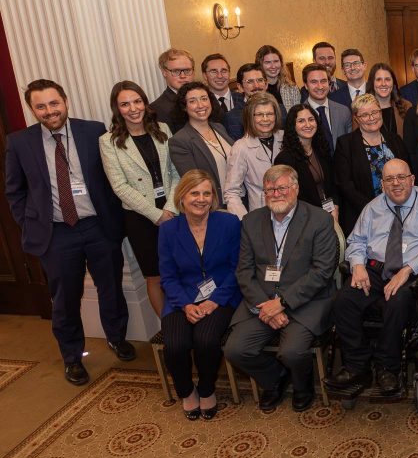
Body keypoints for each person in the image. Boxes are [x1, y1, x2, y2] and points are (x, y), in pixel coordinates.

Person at [5, 79, 133, 385]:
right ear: (32, 109)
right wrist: (31, 223)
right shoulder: (19, 142)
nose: (49, 111)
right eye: (41, 106)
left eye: (54, 103)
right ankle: (72, 357)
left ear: (65, 101)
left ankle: (117, 337)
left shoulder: (93, 131)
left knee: (111, 288)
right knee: (65, 299)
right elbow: (14, 190)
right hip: (57, 234)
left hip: (98, 226)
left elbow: (112, 175)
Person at [326, 159, 418, 396]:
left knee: (396, 301)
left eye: (401, 177)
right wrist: (357, 265)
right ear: (382, 185)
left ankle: (388, 367)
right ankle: (357, 365)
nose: (396, 183)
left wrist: (408, 269)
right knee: (343, 301)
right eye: (389, 179)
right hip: (374, 269)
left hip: (413, 271)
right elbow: (356, 241)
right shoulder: (372, 208)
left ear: (412, 180)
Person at [224, 165, 338, 412]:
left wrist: (282, 303)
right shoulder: (251, 221)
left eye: (282, 188)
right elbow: (244, 271)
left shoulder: (319, 220)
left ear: (295, 188)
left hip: (306, 301)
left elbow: (322, 272)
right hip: (262, 301)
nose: (276, 194)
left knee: (292, 352)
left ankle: (303, 385)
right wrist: (266, 305)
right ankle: (275, 378)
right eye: (270, 190)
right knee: (235, 350)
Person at [157, 169, 242, 419]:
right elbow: (168, 277)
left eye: (207, 193)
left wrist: (214, 301)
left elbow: (237, 269)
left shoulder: (229, 223)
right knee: (175, 345)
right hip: (180, 298)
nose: (201, 199)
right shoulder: (168, 230)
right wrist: (186, 305)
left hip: (221, 296)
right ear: (182, 196)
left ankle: (206, 389)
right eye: (194, 193)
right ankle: (186, 391)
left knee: (206, 340)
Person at [99, 80, 180, 316]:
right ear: (117, 109)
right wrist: (157, 215)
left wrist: (170, 209)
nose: (133, 108)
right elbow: (119, 186)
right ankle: (168, 325)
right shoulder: (108, 141)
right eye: (125, 104)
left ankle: (187, 323)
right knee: (155, 276)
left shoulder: (162, 129)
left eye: (137, 101)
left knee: (182, 269)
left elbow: (176, 173)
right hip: (140, 217)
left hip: (172, 209)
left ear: (145, 103)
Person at [334, 94, 408, 234]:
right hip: (364, 217)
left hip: (400, 212)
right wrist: (375, 209)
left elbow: (408, 174)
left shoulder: (395, 140)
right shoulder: (345, 144)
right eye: (365, 115)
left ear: (380, 112)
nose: (371, 117)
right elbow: (345, 186)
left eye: (375, 112)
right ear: (356, 118)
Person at [168, 82, 234, 208]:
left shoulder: (219, 127)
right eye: (192, 101)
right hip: (214, 205)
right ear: (184, 107)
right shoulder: (179, 141)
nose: (200, 105)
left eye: (204, 99)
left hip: (238, 198)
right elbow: (194, 183)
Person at [223, 93, 283, 219]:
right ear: (250, 117)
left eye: (270, 114)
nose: (265, 119)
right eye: (259, 114)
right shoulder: (241, 147)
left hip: (290, 210)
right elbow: (231, 192)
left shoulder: (285, 138)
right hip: (261, 214)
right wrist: (246, 221)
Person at [274, 104, 337, 222]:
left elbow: (334, 183)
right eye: (301, 121)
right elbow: (289, 198)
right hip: (305, 220)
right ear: (293, 126)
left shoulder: (322, 150)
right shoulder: (284, 159)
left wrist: (335, 208)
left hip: (330, 213)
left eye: (311, 119)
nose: (308, 125)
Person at [303, 64, 352, 154]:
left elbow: (350, 145)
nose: (320, 86)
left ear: (329, 83)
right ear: (306, 85)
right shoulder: (298, 115)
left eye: (323, 81)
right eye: (314, 82)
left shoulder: (344, 111)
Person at [149, 48, 195, 132]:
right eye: (176, 71)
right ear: (164, 72)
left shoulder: (206, 99)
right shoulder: (156, 109)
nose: (183, 76)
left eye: (187, 70)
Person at [365, 62, 413, 139]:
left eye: (387, 79)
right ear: (372, 83)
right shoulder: (362, 110)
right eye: (378, 79)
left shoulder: (406, 106)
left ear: (393, 82)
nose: (383, 84)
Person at [224, 62, 269, 140]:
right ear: (240, 87)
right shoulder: (233, 118)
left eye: (260, 80)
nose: (256, 86)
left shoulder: (280, 109)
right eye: (250, 81)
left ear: (266, 84)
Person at [256, 44, 302, 111]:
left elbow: (298, 114)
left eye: (276, 61)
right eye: (268, 62)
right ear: (260, 65)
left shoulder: (292, 88)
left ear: (281, 63)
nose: (273, 66)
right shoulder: (256, 89)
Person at [201, 53, 240, 123]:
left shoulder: (243, 100)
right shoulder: (201, 105)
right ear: (205, 76)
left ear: (229, 73)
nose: (220, 76)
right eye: (214, 71)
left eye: (224, 71)